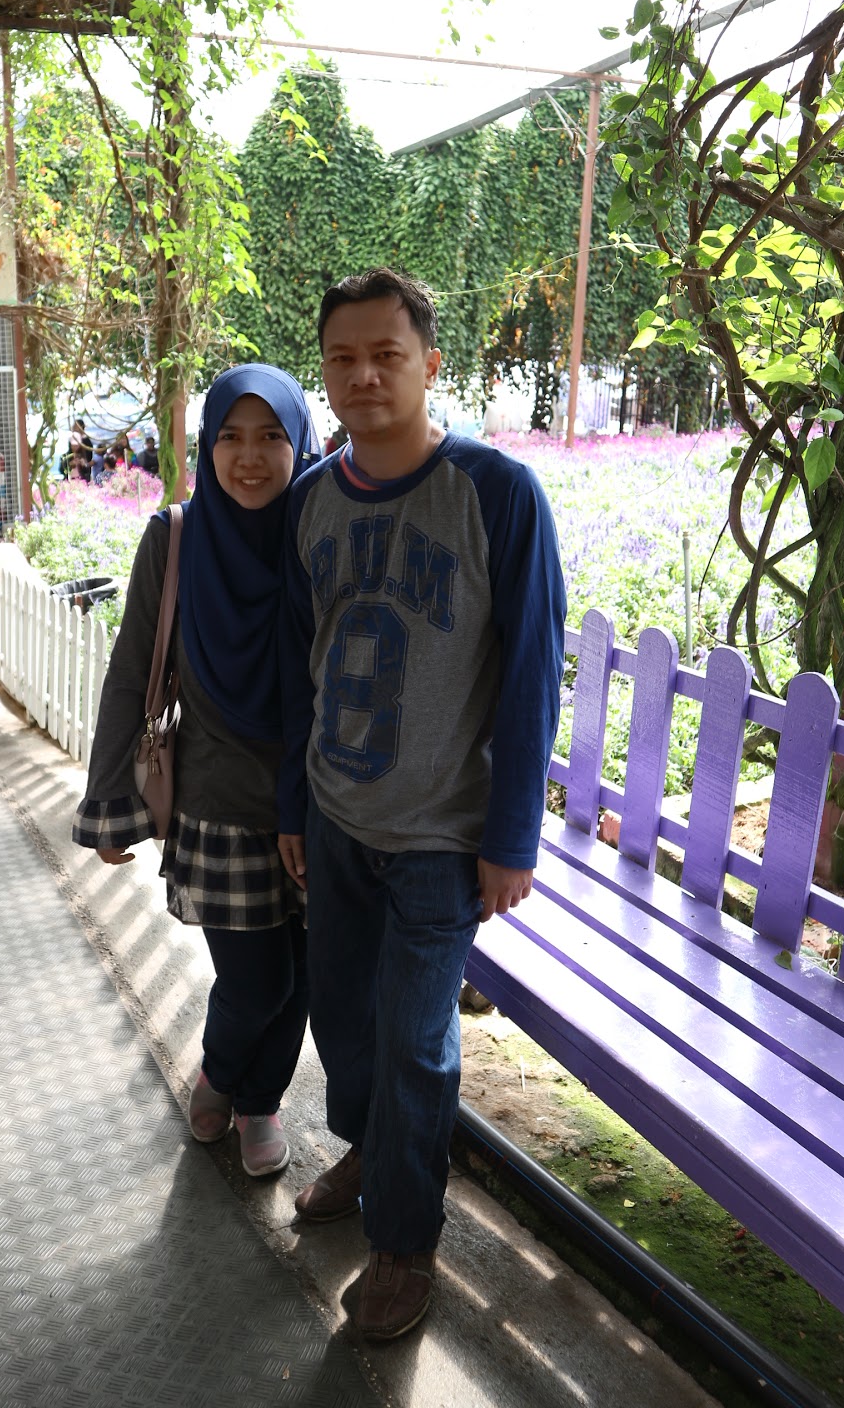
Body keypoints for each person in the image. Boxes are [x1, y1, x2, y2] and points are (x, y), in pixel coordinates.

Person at [277, 269, 565, 1341]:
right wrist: (293, 807)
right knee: (342, 1016)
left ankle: (404, 1244)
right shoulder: (312, 498)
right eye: (342, 358)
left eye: (385, 355)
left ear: (430, 364)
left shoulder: (495, 492)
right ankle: (370, 1149)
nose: (363, 375)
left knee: (414, 1041)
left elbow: (532, 672)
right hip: (336, 818)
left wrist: (510, 837)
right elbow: (297, 671)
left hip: (442, 836)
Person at [73, 364, 318, 1178]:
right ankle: (221, 1072)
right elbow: (130, 669)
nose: (249, 457)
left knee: (301, 979)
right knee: (259, 981)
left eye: (271, 436)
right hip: (218, 803)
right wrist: (110, 800)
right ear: (206, 445)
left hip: (318, 802)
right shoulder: (175, 537)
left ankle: (259, 1102)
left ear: (300, 442)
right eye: (230, 438)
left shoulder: (323, 531)